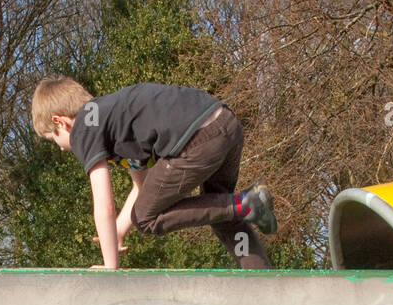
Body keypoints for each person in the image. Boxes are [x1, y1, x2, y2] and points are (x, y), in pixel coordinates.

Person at [31, 77, 276, 270]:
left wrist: (110, 266)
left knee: (145, 219)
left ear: (60, 121)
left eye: (54, 139)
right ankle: (263, 284)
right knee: (222, 213)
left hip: (198, 137)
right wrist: (117, 231)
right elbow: (141, 189)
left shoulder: (84, 126)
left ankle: (245, 204)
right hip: (224, 124)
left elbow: (104, 204)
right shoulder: (115, 122)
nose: (62, 148)